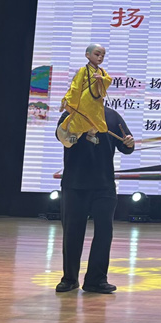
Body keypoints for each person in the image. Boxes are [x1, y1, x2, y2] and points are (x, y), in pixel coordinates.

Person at [54, 106, 135, 294]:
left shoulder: (112, 116)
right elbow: (64, 140)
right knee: (72, 233)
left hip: (104, 184)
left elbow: (125, 146)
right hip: (74, 184)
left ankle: (96, 280)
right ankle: (69, 279)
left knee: (104, 233)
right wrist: (82, 132)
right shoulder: (70, 114)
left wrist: (129, 143)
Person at [57, 44, 112, 147]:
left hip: (96, 103)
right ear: (87, 55)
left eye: (103, 56)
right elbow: (75, 86)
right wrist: (68, 99)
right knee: (78, 119)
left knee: (96, 120)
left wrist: (102, 79)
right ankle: (72, 134)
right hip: (83, 102)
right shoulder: (83, 70)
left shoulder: (102, 72)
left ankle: (91, 135)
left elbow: (108, 80)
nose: (100, 57)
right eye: (97, 54)